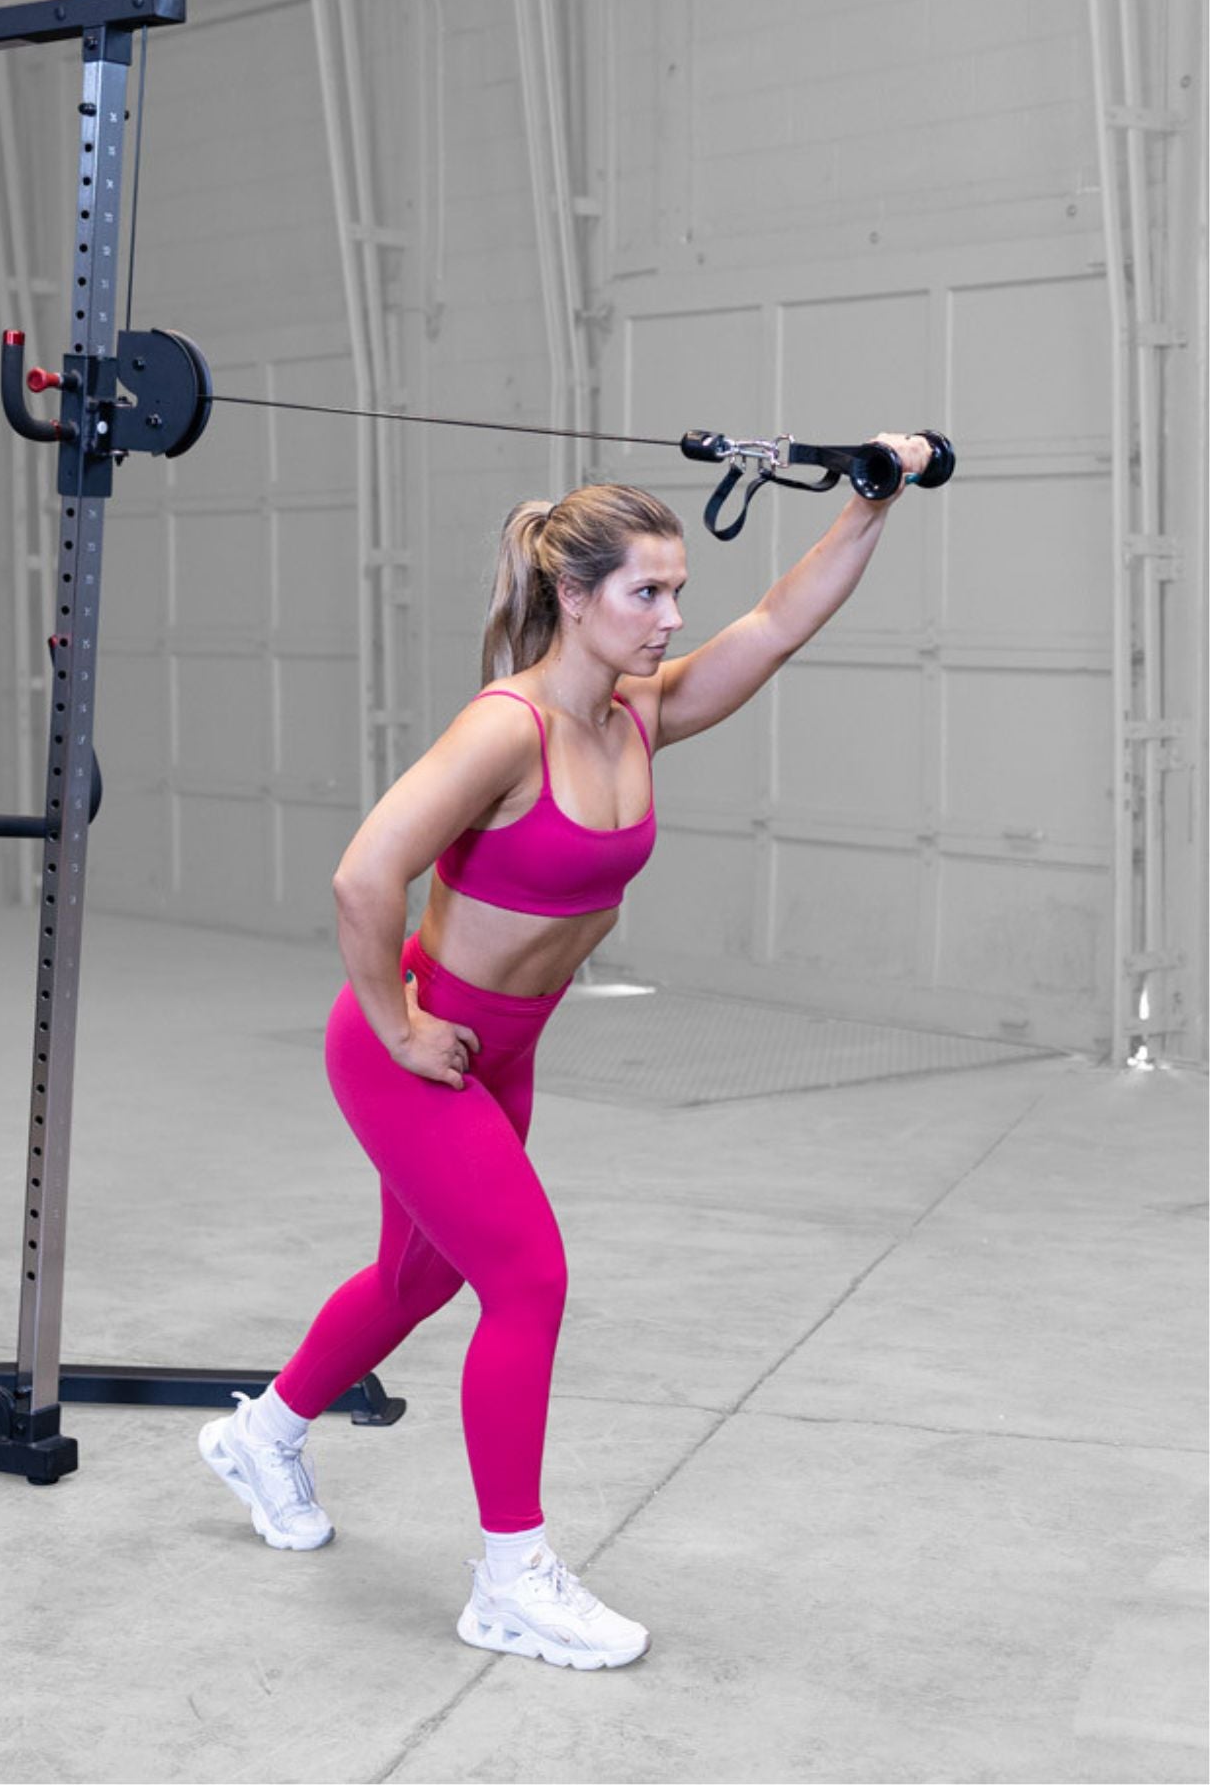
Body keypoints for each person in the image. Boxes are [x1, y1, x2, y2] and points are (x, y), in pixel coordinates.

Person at [199, 435, 935, 1670]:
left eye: (673, 591)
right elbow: (363, 875)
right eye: (645, 592)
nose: (669, 616)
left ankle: (258, 1434)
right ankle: (508, 1576)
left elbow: (775, 622)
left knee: (416, 1280)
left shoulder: (638, 713)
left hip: (502, 1049)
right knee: (526, 1280)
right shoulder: (506, 729)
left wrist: (873, 498)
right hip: (414, 1047)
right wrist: (396, 1023)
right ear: (572, 597)